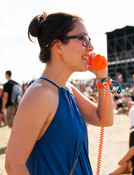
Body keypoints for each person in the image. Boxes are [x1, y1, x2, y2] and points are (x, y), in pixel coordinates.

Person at [5, 12, 114, 175]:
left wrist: (102, 78)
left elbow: (104, 119)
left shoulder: (67, 89)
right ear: (58, 46)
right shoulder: (40, 94)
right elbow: (14, 165)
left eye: (89, 40)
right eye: (83, 39)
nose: (90, 47)